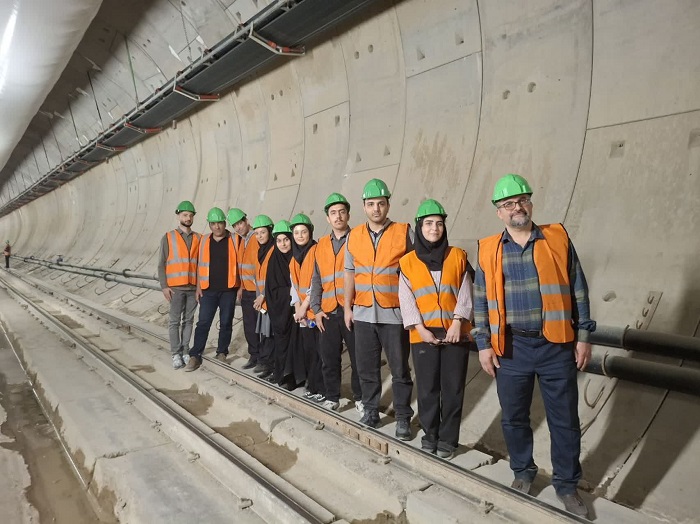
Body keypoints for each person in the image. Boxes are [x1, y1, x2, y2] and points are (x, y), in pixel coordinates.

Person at [472, 174, 595, 518]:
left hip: (556, 345)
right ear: (499, 212)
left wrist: (584, 336)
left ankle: (567, 486)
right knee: (514, 418)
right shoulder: (488, 249)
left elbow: (579, 289)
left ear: (530, 203)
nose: (517, 208)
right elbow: (480, 301)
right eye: (508, 204)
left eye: (522, 200)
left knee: (564, 420)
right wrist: (483, 344)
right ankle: (523, 472)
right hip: (511, 348)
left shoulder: (557, 238)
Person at [398, 199, 474, 460]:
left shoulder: (458, 256)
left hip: (456, 334)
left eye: (439, 223)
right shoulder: (407, 262)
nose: (434, 228)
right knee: (428, 389)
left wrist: (457, 322)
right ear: (419, 227)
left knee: (453, 389)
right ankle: (430, 435)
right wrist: (420, 329)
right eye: (428, 223)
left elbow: (466, 292)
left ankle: (448, 440)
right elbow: (406, 299)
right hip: (423, 336)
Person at [344, 178, 415, 439]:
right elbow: (349, 273)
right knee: (367, 368)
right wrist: (347, 307)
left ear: (388, 205)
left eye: (381, 204)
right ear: (364, 206)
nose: (376, 209)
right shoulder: (354, 236)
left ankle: (403, 417)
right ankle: (371, 411)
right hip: (363, 312)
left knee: (399, 369)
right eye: (371, 204)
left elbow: (415, 272)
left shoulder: (403, 232)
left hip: (394, 314)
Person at [310, 193, 362, 412]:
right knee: (329, 358)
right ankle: (332, 396)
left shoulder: (359, 239)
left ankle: (361, 398)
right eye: (333, 213)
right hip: (328, 311)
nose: (338, 216)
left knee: (358, 358)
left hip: (353, 310)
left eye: (342, 212)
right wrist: (316, 309)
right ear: (327, 218)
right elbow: (316, 279)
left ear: (348, 215)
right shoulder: (321, 244)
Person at [184, 207, 239, 371]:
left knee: (226, 322)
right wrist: (198, 287)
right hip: (208, 290)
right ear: (209, 224)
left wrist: (241, 287)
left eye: (220, 223)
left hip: (229, 289)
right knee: (203, 322)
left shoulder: (234, 239)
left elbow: (241, 264)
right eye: (213, 223)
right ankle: (195, 355)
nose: (217, 226)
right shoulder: (204, 240)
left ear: (224, 223)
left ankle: (222, 353)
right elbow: (199, 265)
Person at [158, 201, 201, 369]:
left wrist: (199, 287)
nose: (188, 218)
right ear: (178, 216)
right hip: (175, 288)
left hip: (193, 288)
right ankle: (175, 353)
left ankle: (185, 351)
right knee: (174, 321)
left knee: (189, 321)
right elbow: (161, 264)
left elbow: (202, 265)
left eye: (190, 215)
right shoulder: (168, 237)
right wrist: (164, 286)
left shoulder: (199, 238)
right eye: (185, 215)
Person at [289, 213, 324, 403]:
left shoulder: (317, 251)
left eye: (304, 232)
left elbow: (316, 282)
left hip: (316, 311)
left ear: (310, 232)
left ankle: (322, 389)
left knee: (320, 352)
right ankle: (313, 386)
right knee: (309, 352)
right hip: (304, 315)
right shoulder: (294, 258)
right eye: (296, 232)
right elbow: (294, 286)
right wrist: (298, 309)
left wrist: (303, 307)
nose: (300, 236)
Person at [265, 220, 304, 390]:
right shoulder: (274, 261)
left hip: (299, 309)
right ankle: (282, 374)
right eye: (279, 241)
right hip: (281, 312)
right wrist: (290, 292)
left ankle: (297, 378)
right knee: (282, 343)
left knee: (298, 344)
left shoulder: (299, 256)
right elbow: (271, 290)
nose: (283, 244)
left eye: (286, 239)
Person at [228, 208, 260, 369]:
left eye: (240, 223)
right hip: (246, 290)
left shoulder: (257, 237)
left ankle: (265, 360)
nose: (238, 228)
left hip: (258, 291)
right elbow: (243, 267)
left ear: (246, 221)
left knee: (262, 327)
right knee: (249, 326)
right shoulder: (242, 241)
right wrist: (240, 286)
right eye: (235, 226)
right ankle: (254, 356)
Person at [251, 215, 276, 378]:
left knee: (272, 333)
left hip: (271, 299)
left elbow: (275, 277)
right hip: (262, 300)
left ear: (270, 231)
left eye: (263, 232)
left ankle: (271, 365)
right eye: (257, 233)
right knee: (265, 333)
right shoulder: (260, 251)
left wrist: (263, 295)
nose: (260, 236)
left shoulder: (274, 250)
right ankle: (266, 363)